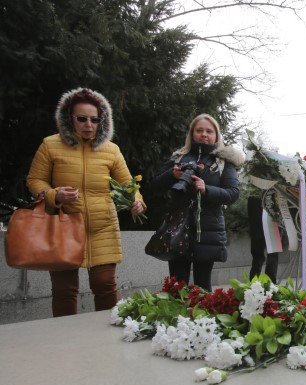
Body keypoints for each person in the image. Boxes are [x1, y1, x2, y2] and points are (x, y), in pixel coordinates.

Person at [26, 87, 146, 317]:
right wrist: (54, 195)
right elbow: (35, 179)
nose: (89, 125)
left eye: (94, 119)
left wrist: (137, 201)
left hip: (103, 227)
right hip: (63, 227)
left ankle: (107, 341)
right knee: (64, 291)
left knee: (105, 288)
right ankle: (66, 344)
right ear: (69, 118)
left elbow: (128, 184)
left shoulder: (111, 150)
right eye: (82, 119)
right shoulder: (50, 145)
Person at [150, 114, 241, 291]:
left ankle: (203, 319)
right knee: (176, 286)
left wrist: (207, 189)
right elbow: (154, 187)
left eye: (209, 131)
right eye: (199, 130)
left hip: (208, 231)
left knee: (203, 286)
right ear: (192, 134)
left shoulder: (223, 163)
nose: (204, 134)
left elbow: (233, 193)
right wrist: (172, 175)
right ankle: (176, 319)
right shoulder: (178, 158)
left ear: (216, 135)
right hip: (177, 228)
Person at [247, 194, 279, 283]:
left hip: (270, 201)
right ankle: (258, 283)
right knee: (259, 251)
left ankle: (268, 283)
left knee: (270, 251)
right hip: (259, 202)